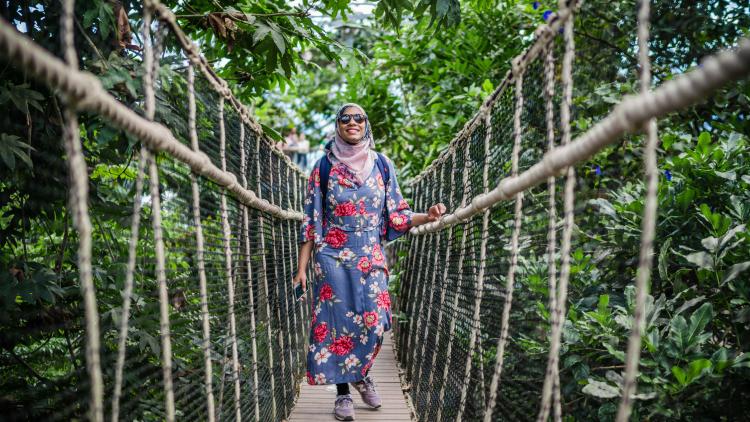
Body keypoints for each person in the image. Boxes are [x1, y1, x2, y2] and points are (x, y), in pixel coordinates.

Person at [293, 103, 446, 421]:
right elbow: (310, 222)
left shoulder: (382, 165)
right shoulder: (323, 168)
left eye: (358, 118)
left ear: (366, 125)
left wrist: (426, 215)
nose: (352, 122)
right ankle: (343, 394)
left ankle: (360, 372)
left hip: (369, 254)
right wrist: (302, 269)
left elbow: (398, 214)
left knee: (375, 322)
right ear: (337, 125)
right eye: (345, 118)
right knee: (339, 326)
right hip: (332, 255)